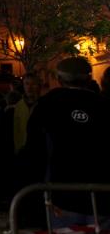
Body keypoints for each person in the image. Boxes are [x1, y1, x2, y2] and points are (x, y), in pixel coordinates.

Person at [24, 57, 110, 230]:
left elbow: (34, 151)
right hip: (101, 195)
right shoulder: (104, 106)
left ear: (59, 79)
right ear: (89, 78)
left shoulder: (46, 105)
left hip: (60, 195)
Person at [13, 73, 40, 153]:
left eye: (33, 84)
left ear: (38, 85)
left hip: (40, 150)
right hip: (23, 150)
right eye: (27, 84)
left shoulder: (44, 104)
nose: (29, 87)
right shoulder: (19, 106)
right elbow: (16, 130)